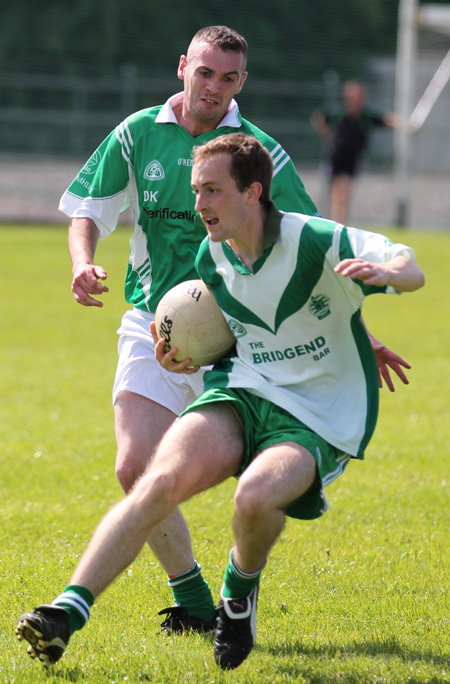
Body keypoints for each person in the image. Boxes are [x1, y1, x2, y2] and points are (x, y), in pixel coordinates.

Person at [16, 133, 425, 671]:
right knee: (156, 480)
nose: (198, 204)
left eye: (211, 191)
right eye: (195, 191)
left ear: (252, 192)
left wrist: (388, 274)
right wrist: (180, 355)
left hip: (314, 414)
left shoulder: (313, 238)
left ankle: (239, 590)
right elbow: (232, 331)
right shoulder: (213, 258)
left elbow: (408, 263)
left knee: (254, 498)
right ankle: (65, 612)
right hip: (243, 391)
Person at [60, 27, 409, 636]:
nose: (214, 88)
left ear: (241, 83)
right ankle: (194, 600)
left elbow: (309, 245)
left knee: (249, 481)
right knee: (134, 468)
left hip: (247, 338)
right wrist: (82, 261)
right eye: (205, 73)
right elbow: (89, 205)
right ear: (182, 69)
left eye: (229, 78)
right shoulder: (138, 133)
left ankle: (237, 584)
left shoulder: (259, 156)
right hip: (155, 325)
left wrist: (358, 333)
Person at [311, 80, 399, 225]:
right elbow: (319, 118)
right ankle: (338, 223)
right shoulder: (338, 112)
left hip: (353, 159)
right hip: (337, 157)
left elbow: (387, 120)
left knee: (344, 192)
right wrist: (328, 136)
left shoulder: (365, 116)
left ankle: (340, 222)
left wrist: (406, 125)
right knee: (338, 192)